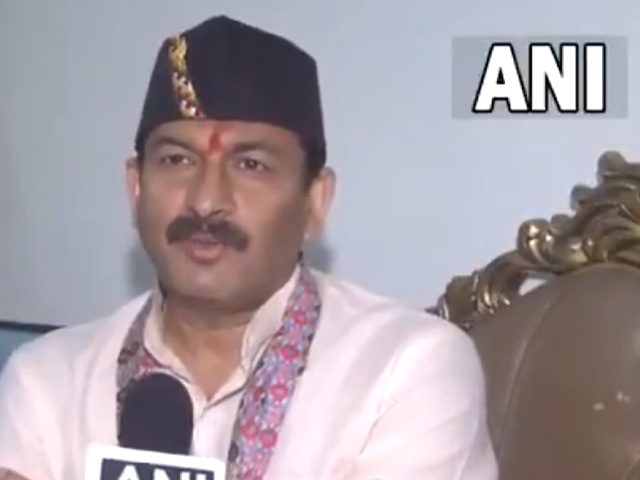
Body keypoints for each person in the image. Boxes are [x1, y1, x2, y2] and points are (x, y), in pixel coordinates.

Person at [0, 15, 497, 480]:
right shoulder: (48, 381)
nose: (206, 200)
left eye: (251, 165)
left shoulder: (404, 369)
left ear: (315, 202)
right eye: (176, 160)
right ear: (136, 188)